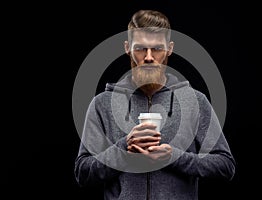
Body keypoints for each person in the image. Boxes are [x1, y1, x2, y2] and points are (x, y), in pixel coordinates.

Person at [74, 9, 235, 200]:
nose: (149, 57)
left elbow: (225, 166)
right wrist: (123, 148)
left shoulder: (195, 101)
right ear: (127, 47)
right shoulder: (102, 104)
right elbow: (83, 173)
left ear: (169, 48)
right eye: (140, 48)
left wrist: (175, 157)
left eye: (157, 48)